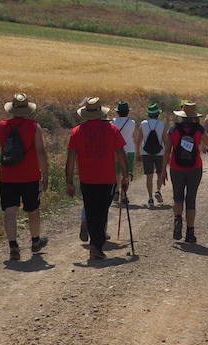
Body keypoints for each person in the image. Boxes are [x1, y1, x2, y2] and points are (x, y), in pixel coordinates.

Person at [65, 97, 128, 260]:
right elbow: (121, 153)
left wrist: (69, 182)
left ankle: (95, 244)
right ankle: (96, 246)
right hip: (107, 179)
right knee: (101, 212)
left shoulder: (77, 131)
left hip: (86, 179)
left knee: (91, 210)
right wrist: (126, 175)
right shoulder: (112, 129)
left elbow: (70, 158)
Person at [0, 93, 49, 261]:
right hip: (30, 175)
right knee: (33, 210)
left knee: (10, 211)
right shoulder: (34, 126)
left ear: (12, 109)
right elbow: (40, 152)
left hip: (7, 176)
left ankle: (13, 246)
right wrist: (45, 175)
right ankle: (35, 241)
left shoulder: (2, 126)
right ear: (27, 109)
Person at [162, 102, 208, 243]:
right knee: (191, 199)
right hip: (195, 168)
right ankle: (190, 232)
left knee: (177, 197)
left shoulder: (173, 130)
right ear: (194, 116)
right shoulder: (199, 129)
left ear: (182, 115)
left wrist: (163, 171)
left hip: (176, 168)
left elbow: (167, 152)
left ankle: (178, 218)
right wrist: (199, 128)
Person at [135, 102, 167, 208]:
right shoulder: (161, 124)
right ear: (158, 114)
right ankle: (158, 191)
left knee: (149, 176)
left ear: (149, 114)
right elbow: (165, 141)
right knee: (159, 174)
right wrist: (168, 154)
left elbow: (138, 140)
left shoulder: (143, 124)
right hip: (160, 153)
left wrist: (138, 152)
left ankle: (150, 198)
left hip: (146, 153)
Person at [112, 101, 136, 204]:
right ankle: (124, 195)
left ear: (118, 112)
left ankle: (116, 190)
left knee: (117, 172)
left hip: (116, 150)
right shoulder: (132, 123)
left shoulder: (112, 122)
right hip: (129, 149)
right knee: (127, 173)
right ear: (127, 112)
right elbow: (133, 135)